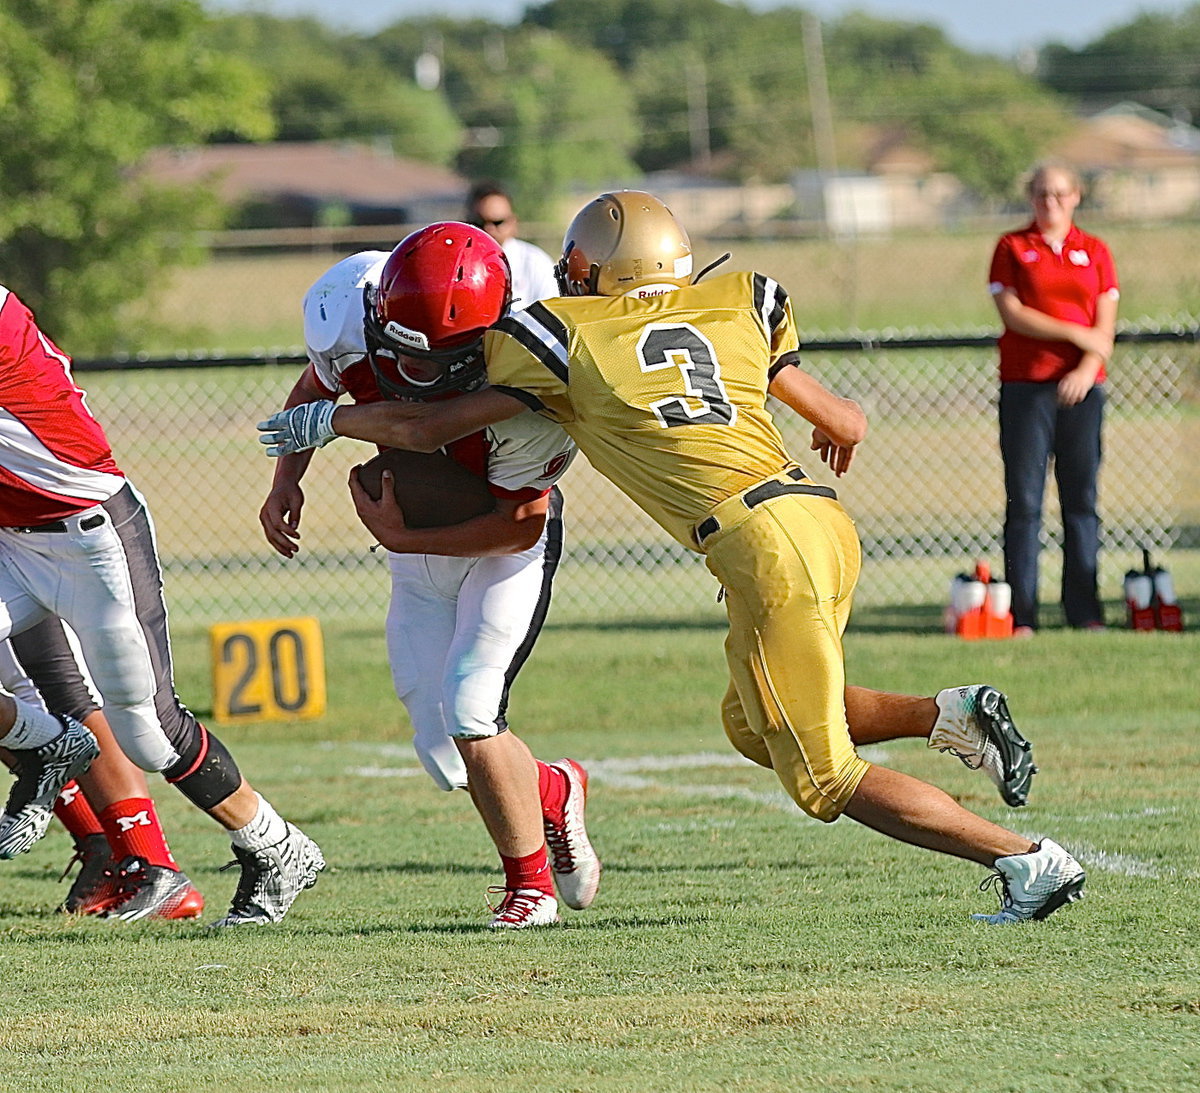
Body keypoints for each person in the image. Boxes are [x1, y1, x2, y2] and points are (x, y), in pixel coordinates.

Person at [260, 192, 1083, 925]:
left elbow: (427, 427)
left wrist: (326, 426)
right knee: (751, 722)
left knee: (823, 777)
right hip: (821, 523)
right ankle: (949, 714)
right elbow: (850, 422)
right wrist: (827, 422)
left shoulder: (563, 339)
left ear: (589, 273)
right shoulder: (731, 305)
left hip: (760, 549)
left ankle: (1026, 862)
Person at [259, 227, 599, 929]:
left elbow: (520, 524)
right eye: (400, 350)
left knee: (473, 708)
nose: (413, 373)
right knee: (443, 751)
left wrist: (400, 534)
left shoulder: (529, 373)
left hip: (501, 550)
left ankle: (528, 888)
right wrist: (286, 477)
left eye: (435, 359)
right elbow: (320, 384)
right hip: (418, 552)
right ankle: (552, 786)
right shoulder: (351, 306)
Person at [0, 283, 323, 927]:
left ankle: (277, 847)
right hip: (12, 540)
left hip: (90, 536)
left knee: (148, 731)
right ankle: (44, 747)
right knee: (83, 720)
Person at [0, 619, 205, 919]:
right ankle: (103, 845)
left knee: (53, 696)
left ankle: (149, 862)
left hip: (26, 577)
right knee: (31, 705)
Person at [988, 162, 1117, 634]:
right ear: (1031, 197)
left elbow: (1105, 326)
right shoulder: (1012, 248)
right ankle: (1022, 615)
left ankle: (1084, 611)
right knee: (1024, 502)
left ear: (1076, 196)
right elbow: (1014, 314)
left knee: (1081, 500)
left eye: (1060, 194)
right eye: (1043, 194)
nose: (1052, 203)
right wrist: (1075, 333)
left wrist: (1086, 367)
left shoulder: (1095, 250)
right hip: (1026, 388)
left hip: (1082, 390)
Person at [465, 181, 559, 310]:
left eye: (497, 222)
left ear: (513, 223)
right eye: (479, 222)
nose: (489, 229)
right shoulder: (457, 265)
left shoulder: (535, 263)